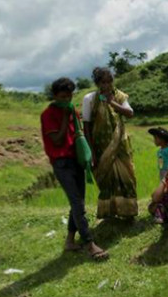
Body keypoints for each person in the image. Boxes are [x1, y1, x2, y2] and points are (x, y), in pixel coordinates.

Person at [40, 77, 108, 260]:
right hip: (61, 163)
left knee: (78, 203)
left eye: (69, 97)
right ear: (54, 96)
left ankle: (70, 241)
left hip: (76, 160)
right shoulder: (48, 114)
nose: (66, 101)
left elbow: (80, 136)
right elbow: (57, 140)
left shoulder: (73, 112)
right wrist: (65, 117)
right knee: (77, 203)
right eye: (62, 97)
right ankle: (89, 243)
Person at [82, 67, 137, 219]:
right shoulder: (90, 99)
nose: (106, 85)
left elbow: (130, 113)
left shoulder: (119, 96)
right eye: (103, 82)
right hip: (100, 147)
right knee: (106, 181)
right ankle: (110, 213)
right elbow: (86, 126)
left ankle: (129, 212)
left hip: (120, 146)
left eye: (109, 81)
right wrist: (91, 151)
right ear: (97, 83)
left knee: (127, 178)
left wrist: (112, 103)